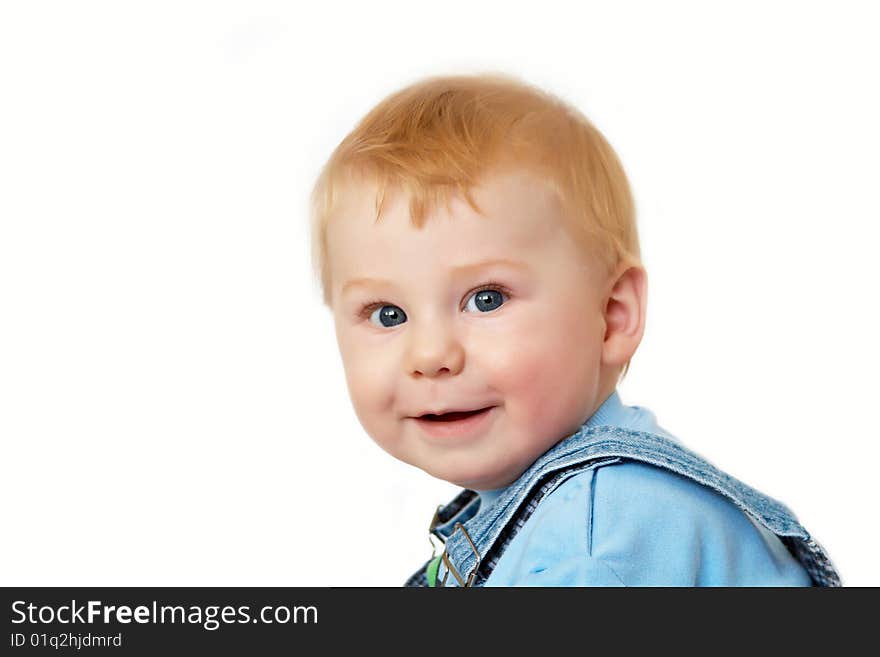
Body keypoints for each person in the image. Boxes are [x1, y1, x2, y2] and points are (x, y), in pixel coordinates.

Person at [309, 73, 840, 586]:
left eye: (486, 300)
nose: (429, 354)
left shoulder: (588, 545)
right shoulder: (575, 508)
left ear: (611, 315)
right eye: (387, 314)